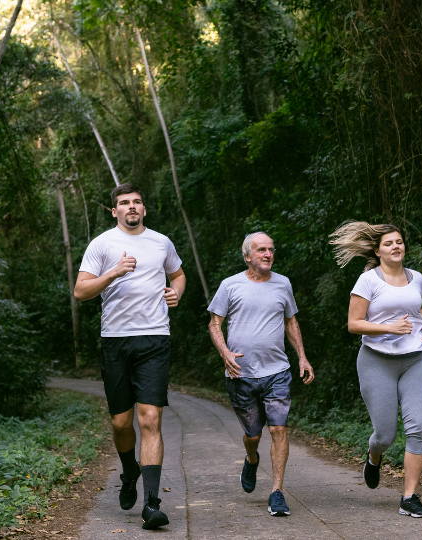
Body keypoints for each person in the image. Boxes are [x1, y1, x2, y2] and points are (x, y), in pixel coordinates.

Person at [74, 183, 185, 530]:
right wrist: (113, 272)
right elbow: (80, 291)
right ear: (114, 211)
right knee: (121, 424)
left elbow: (178, 274)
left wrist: (175, 292)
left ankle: (152, 504)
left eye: (137, 202)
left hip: (154, 338)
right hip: (116, 342)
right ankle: (128, 470)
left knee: (150, 418)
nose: (132, 207)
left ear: (144, 209)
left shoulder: (161, 242)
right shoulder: (102, 244)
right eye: (124, 203)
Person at [329, 221, 422, 518]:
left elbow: (416, 307)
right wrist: (389, 328)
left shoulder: (416, 277)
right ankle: (374, 455)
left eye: (399, 242)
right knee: (386, 434)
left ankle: (409, 497)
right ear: (377, 251)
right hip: (377, 361)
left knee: (417, 426)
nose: (396, 246)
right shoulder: (368, 280)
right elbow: (354, 324)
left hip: (415, 359)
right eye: (389, 243)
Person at [207, 232, 315, 517]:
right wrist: (225, 354)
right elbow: (214, 324)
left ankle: (277, 492)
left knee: (279, 429)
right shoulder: (230, 285)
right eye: (261, 250)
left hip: (277, 372)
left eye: (271, 250)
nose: (268, 254)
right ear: (247, 256)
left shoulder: (283, 284)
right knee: (252, 435)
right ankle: (251, 458)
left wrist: (302, 357)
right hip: (241, 374)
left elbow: (291, 321)